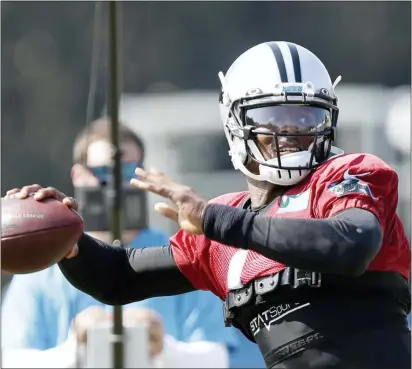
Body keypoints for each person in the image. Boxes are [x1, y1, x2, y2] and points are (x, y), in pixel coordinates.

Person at [5, 41, 411, 369]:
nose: (291, 134)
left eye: (306, 119)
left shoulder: (347, 174)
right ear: (235, 124)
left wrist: (214, 219)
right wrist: (67, 236)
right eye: (274, 119)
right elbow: (118, 276)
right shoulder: (221, 230)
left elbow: (350, 245)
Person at [2, 118, 237, 368]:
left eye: (128, 171)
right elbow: (14, 359)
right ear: (78, 175)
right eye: (104, 172)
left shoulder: (177, 254)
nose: (117, 184)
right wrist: (75, 348)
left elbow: (216, 357)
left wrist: (163, 346)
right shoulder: (45, 256)